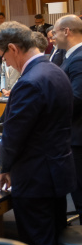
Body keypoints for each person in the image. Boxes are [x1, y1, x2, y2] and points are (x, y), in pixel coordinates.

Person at [0, 22, 75, 245]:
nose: (6, 62)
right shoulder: (55, 71)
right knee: (56, 243)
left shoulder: (29, 81)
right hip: (57, 172)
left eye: (4, 56)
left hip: (35, 177)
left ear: (14, 48)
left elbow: (14, 134)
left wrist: (3, 167)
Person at [52, 15, 82, 221]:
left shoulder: (79, 57)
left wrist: (46, 106)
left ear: (66, 31)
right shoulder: (72, 56)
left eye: (54, 32)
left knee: (80, 193)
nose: (52, 37)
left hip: (78, 136)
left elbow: (77, 98)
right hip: (74, 133)